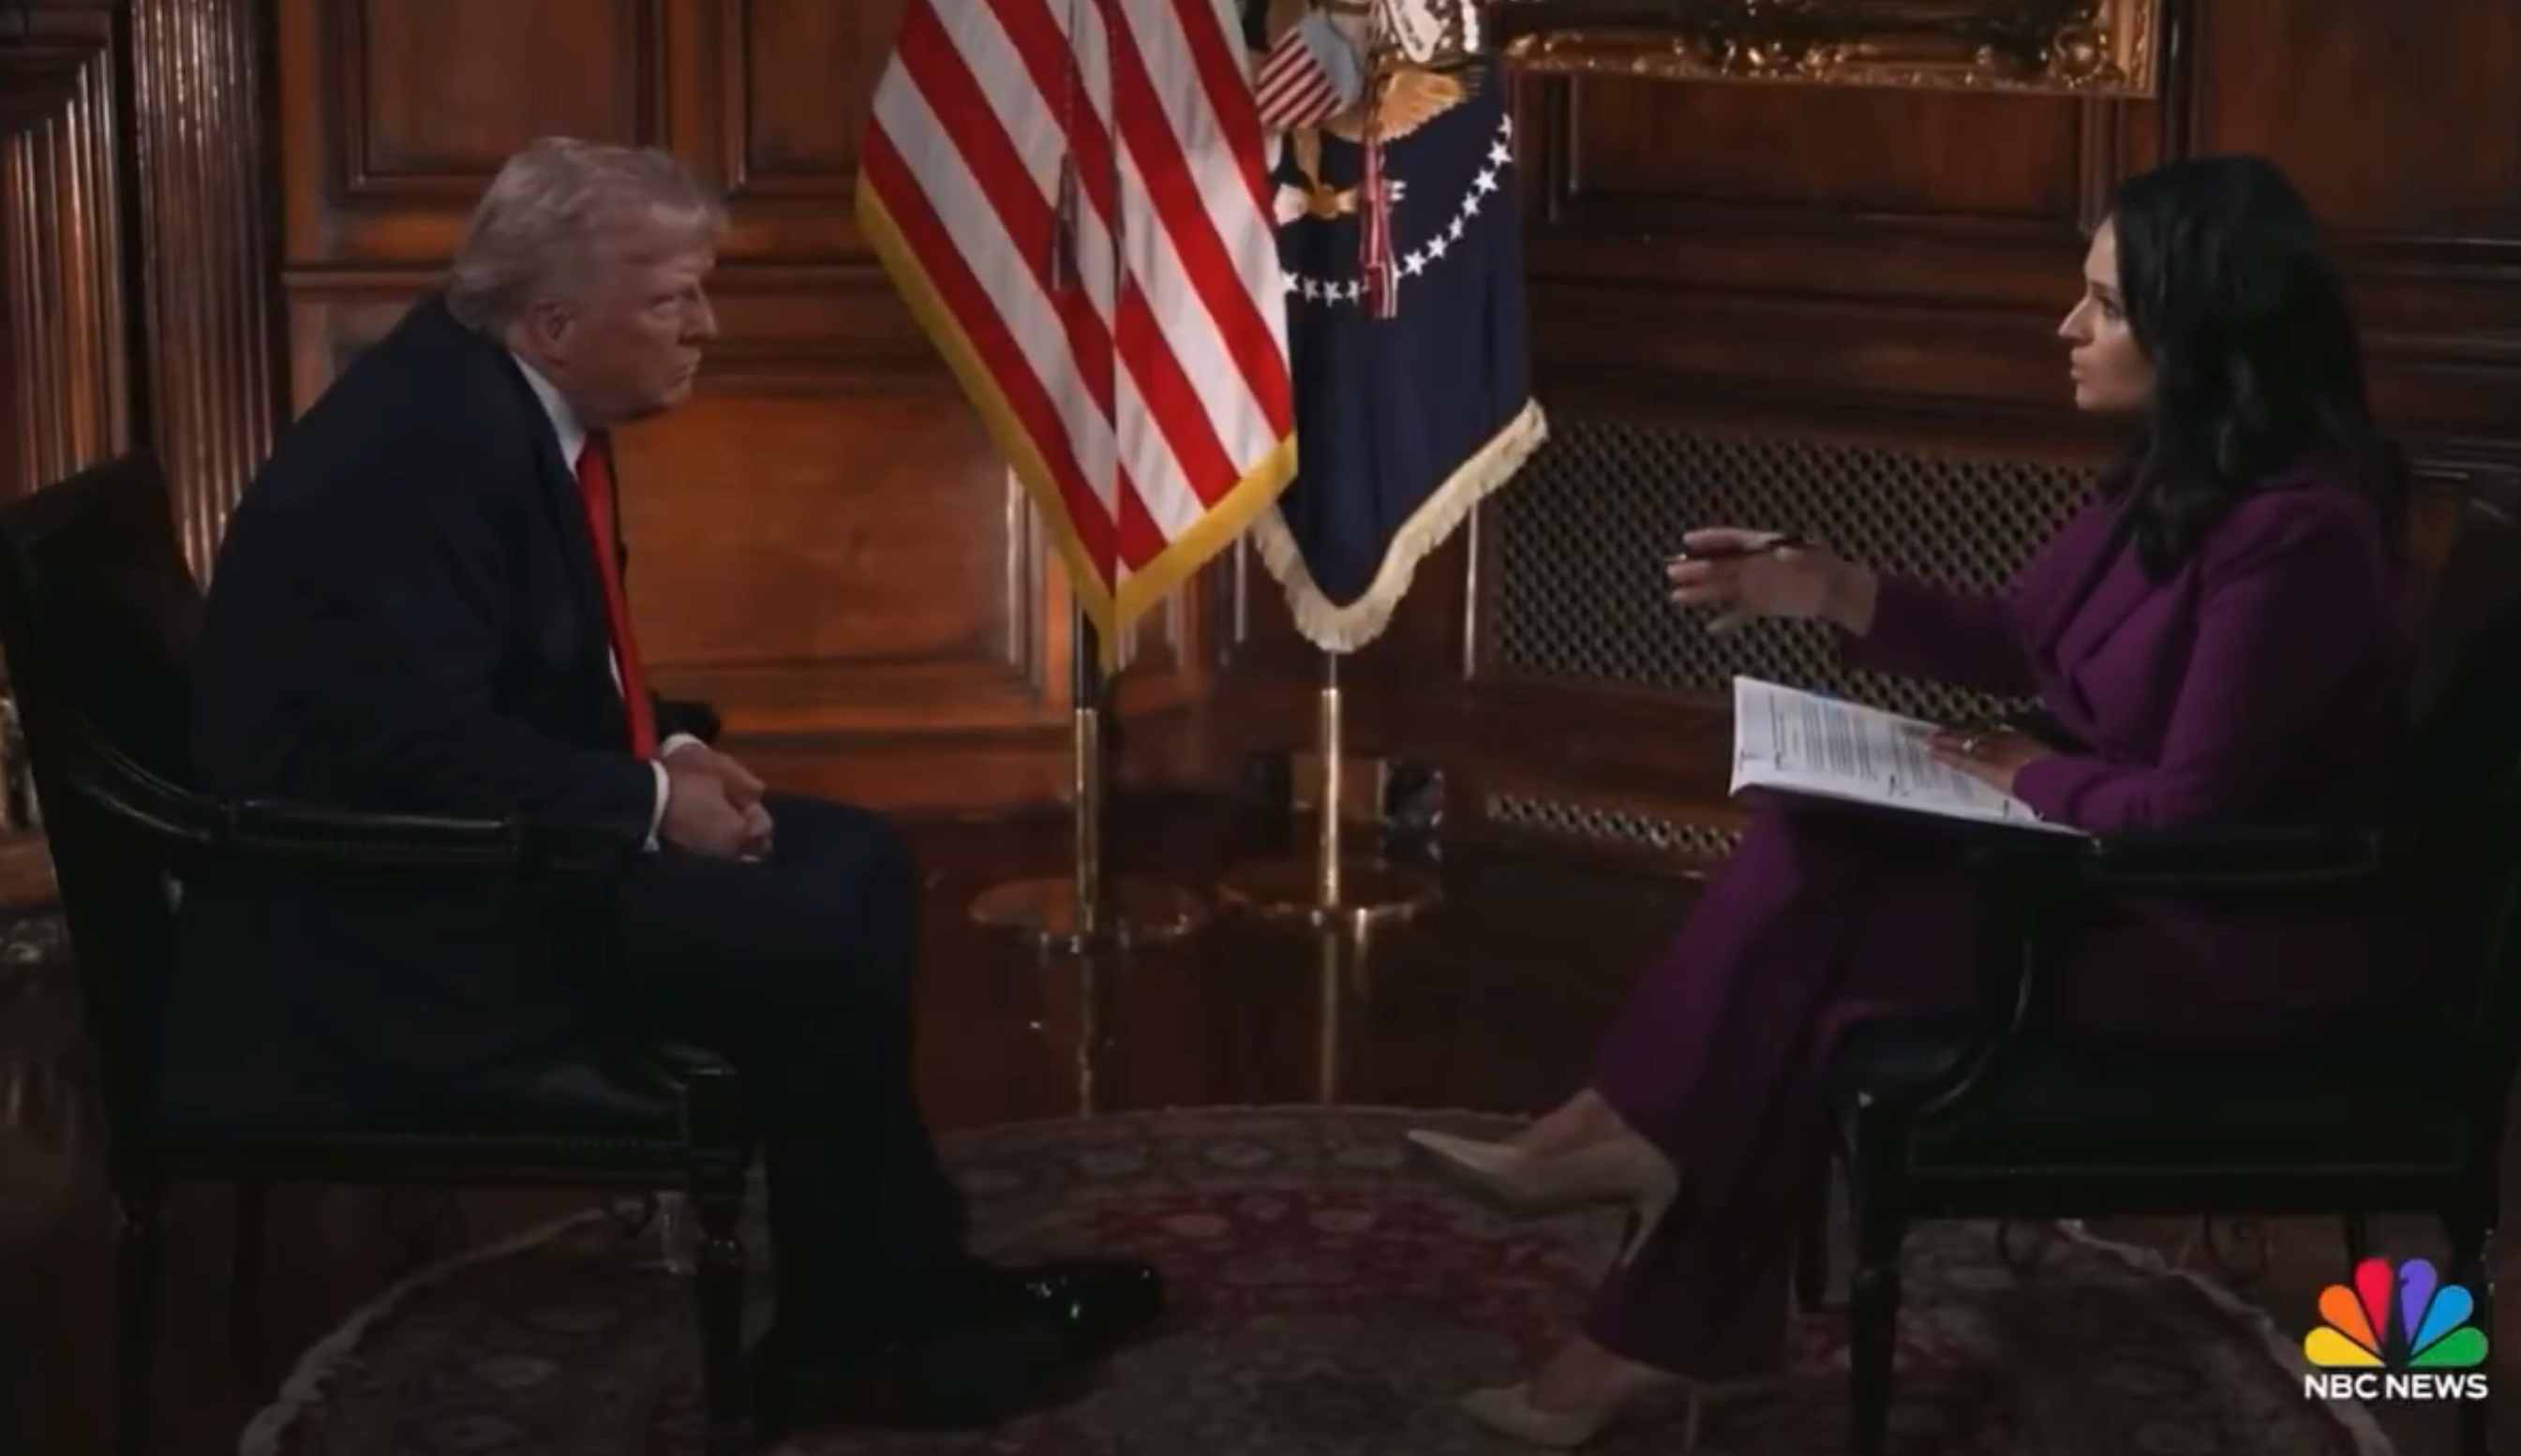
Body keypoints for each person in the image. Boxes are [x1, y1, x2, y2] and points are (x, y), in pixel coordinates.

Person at [1410, 153, 2418, 1448]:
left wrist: (2025, 774)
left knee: (1805, 954)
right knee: (1806, 833)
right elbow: (2018, 638)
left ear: (2202, 328)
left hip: (2217, 938)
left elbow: (2196, 816)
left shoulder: (2299, 534)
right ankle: (1630, 1204)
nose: (2066, 326)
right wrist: (1823, 587)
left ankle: (1654, 1270)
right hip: (2098, 878)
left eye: (2103, 305)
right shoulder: (2171, 471)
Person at [163, 138, 1161, 1438]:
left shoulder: (507, 395)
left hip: (476, 844)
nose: (707, 326)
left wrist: (668, 751)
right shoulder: (422, 452)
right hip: (391, 926)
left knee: (851, 860)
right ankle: (860, 1335)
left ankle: (892, 1294)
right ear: (556, 317)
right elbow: (404, 753)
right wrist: (640, 804)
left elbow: (513, 683)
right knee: (806, 932)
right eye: (674, 298)